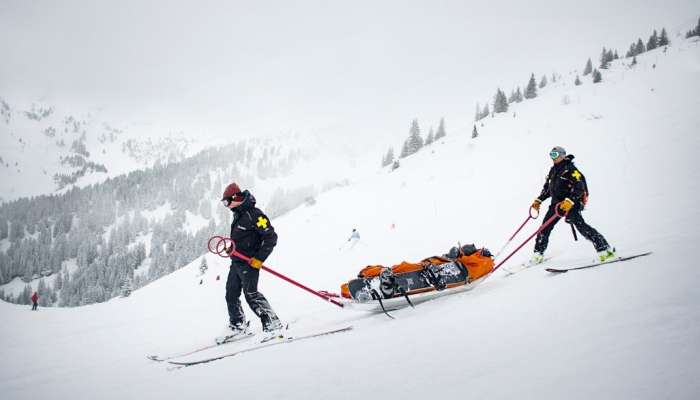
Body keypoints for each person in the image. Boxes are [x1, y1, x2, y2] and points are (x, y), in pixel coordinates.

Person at [530, 146, 615, 264]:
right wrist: (539, 200)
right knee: (544, 228)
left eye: (555, 155)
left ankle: (605, 250)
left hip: (571, 204)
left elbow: (580, 186)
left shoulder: (570, 169)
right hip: (556, 205)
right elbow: (548, 189)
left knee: (581, 227)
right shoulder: (553, 170)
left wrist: (570, 201)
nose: (552, 158)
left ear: (562, 155)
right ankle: (538, 254)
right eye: (551, 155)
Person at [219, 182, 282, 340]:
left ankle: (272, 323)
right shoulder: (238, 214)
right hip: (236, 262)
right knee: (231, 295)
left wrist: (259, 258)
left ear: (235, 198)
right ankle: (237, 325)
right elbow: (243, 239)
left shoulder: (255, 215)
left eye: (226, 202)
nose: (226, 206)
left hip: (249, 263)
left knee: (251, 294)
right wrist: (233, 249)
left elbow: (271, 237)